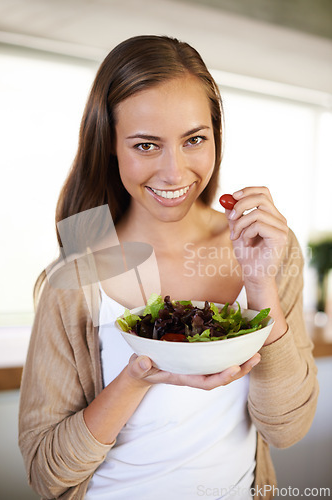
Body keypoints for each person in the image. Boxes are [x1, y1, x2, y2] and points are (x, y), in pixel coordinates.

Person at [19, 35, 318, 500]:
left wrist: (260, 286)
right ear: (111, 145)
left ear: (216, 135)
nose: (175, 174)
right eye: (146, 146)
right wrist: (139, 375)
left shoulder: (263, 245)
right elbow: (46, 474)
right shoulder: (82, 261)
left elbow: (287, 429)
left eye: (194, 139)